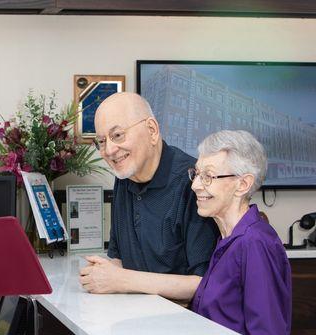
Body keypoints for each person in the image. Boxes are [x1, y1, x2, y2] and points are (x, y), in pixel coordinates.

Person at [79, 92, 218, 301]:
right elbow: (119, 259)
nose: (109, 150)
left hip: (184, 322)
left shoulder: (193, 182)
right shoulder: (125, 176)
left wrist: (121, 280)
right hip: (135, 314)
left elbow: (203, 283)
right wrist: (103, 273)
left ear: (152, 130)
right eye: (101, 141)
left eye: (117, 135)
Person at [189, 130, 291, 335]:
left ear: (243, 184)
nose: (195, 185)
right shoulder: (228, 239)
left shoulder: (255, 243)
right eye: (196, 174)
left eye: (208, 176)